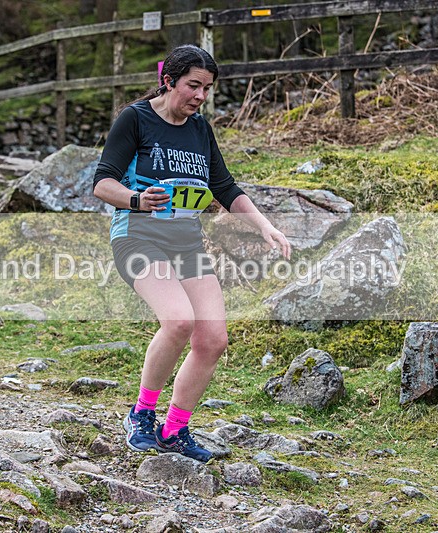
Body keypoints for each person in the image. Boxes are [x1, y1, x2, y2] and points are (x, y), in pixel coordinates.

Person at [93, 44, 291, 463]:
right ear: (169, 81)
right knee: (179, 319)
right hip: (137, 238)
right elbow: (102, 183)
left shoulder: (200, 129)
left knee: (213, 339)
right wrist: (134, 199)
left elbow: (226, 188)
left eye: (207, 89)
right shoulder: (135, 119)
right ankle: (141, 415)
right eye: (193, 86)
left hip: (185, 244)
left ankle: (175, 428)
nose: (201, 96)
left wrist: (265, 225)